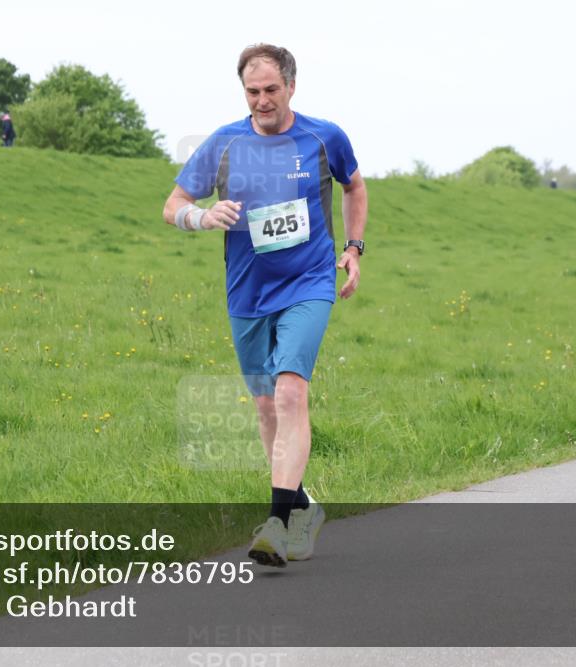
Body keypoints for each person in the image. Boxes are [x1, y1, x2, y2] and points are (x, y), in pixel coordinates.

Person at [162, 44, 367, 567]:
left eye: (270, 90)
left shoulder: (325, 137)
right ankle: (303, 504)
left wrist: (353, 247)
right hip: (248, 292)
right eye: (252, 92)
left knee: (291, 393)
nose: (261, 101)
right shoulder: (225, 143)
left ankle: (277, 523)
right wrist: (203, 218)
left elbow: (355, 186)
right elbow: (174, 206)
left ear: (291, 87)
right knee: (265, 406)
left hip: (309, 282)